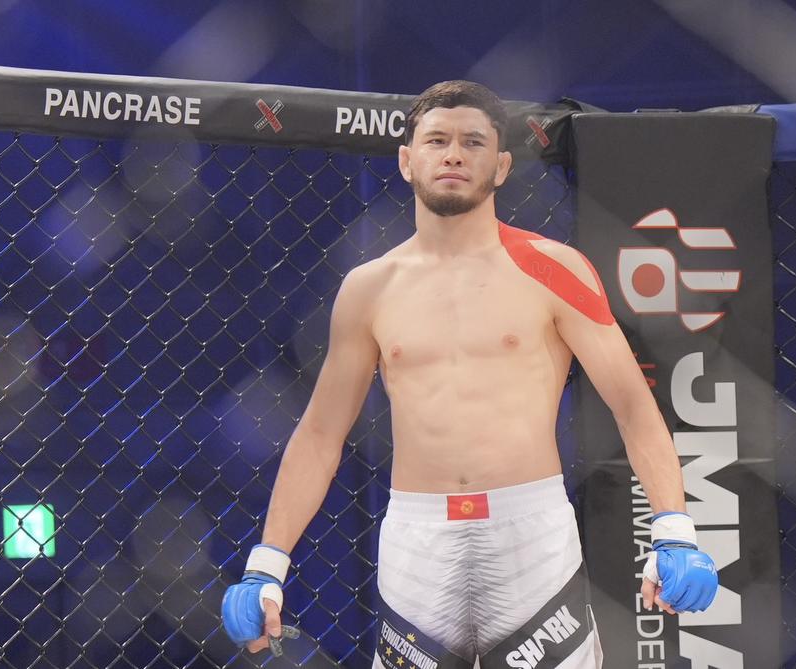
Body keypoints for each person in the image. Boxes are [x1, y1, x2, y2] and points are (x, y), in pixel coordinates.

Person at [221, 80, 718, 668]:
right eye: (437, 141)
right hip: (419, 536)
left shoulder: (555, 268)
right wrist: (267, 564)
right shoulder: (368, 289)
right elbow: (321, 433)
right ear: (407, 161)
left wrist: (674, 528)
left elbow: (633, 405)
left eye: (473, 142)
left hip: (530, 530)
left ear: (501, 165)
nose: (454, 155)